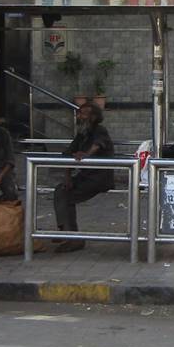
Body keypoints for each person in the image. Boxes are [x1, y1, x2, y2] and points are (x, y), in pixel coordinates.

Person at [54, 102, 114, 253]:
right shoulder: (82, 134)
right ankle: (65, 231)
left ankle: (73, 238)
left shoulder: (100, 130)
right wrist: (67, 175)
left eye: (83, 114)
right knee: (60, 190)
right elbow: (68, 153)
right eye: (79, 113)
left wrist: (86, 155)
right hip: (85, 176)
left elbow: (98, 145)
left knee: (66, 196)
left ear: (93, 117)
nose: (79, 117)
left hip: (99, 178)